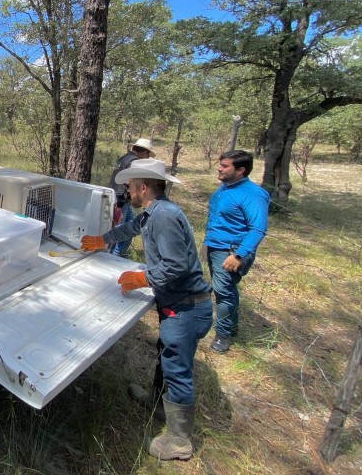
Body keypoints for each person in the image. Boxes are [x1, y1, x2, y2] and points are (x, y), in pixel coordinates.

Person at [81, 158, 212, 461]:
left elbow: (176, 267)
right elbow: (130, 227)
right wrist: (102, 240)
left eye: (129, 187)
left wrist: (141, 278)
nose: (127, 192)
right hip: (178, 305)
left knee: (177, 369)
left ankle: (179, 441)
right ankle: (158, 402)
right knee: (166, 354)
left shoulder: (164, 216)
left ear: (143, 187)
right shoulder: (153, 213)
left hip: (187, 308)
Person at [203, 150, 269, 354]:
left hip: (230, 252)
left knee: (223, 293)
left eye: (225, 166)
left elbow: (258, 228)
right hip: (215, 246)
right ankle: (232, 325)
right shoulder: (225, 187)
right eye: (220, 164)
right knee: (227, 290)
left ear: (241, 170)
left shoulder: (253, 195)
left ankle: (223, 335)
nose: (219, 168)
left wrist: (239, 255)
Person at [107, 138, 155, 257]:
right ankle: (114, 256)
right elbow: (130, 182)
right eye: (147, 154)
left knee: (130, 225)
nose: (147, 157)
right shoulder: (134, 162)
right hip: (121, 200)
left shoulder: (124, 158)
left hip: (120, 198)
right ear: (143, 152)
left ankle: (120, 252)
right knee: (119, 230)